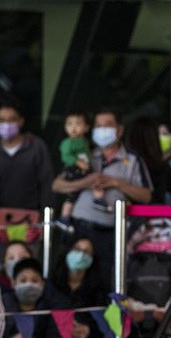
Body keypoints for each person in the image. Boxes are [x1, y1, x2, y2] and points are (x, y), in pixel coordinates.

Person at [52, 108, 151, 286]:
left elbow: (146, 196)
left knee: (105, 282)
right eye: (98, 126)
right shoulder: (84, 154)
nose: (102, 130)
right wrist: (85, 182)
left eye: (107, 125)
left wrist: (117, 183)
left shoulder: (133, 160)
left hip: (110, 233)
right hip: (78, 228)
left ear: (119, 130)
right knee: (68, 281)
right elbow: (57, 185)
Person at [0, 97, 55, 227]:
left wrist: (45, 222)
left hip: (32, 222)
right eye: (1, 120)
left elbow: (47, 187)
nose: (6, 124)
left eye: (11, 120)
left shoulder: (36, 147)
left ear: (21, 121)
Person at [10, 258, 90, 338]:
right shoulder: (5, 304)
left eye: (35, 281)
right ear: (13, 283)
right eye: (23, 280)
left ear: (42, 284)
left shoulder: (49, 304)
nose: (29, 285)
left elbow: (54, 335)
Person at [49, 237, 109, 338]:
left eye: (87, 252)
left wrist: (87, 329)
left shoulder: (98, 288)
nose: (81, 255)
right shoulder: (52, 283)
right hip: (56, 333)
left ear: (93, 258)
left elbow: (102, 319)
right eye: (77, 249)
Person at [58, 111, 102, 220]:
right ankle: (64, 218)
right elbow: (66, 156)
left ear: (86, 128)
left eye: (77, 124)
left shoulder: (84, 142)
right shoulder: (67, 142)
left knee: (96, 183)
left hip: (84, 168)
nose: (73, 127)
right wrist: (78, 162)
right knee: (72, 196)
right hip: (74, 169)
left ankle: (98, 201)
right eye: (69, 124)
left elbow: (86, 155)